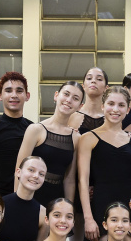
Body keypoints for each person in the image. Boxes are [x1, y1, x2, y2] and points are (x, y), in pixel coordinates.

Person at [77, 86, 131, 241]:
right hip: (101, 204)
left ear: (128, 109)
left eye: (121, 105)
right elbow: (83, 181)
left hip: (128, 205)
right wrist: (88, 218)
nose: (115, 109)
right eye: (111, 104)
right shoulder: (88, 138)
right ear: (103, 106)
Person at [16, 80, 84, 209]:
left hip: (56, 201)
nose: (69, 100)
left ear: (80, 106)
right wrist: (17, 203)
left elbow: (69, 180)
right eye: (66, 94)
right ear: (56, 95)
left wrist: (68, 209)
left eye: (75, 98)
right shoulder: (35, 130)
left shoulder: (76, 137)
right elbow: (18, 170)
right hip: (30, 197)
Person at [0, 72, 33, 196]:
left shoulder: (33, 129)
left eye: (19, 91)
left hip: (29, 195)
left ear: (27, 96)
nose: (14, 95)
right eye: (8, 91)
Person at [68, 67, 108, 134]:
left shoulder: (112, 117)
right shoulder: (70, 115)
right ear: (83, 86)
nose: (93, 81)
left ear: (106, 88)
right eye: (89, 78)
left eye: (99, 79)